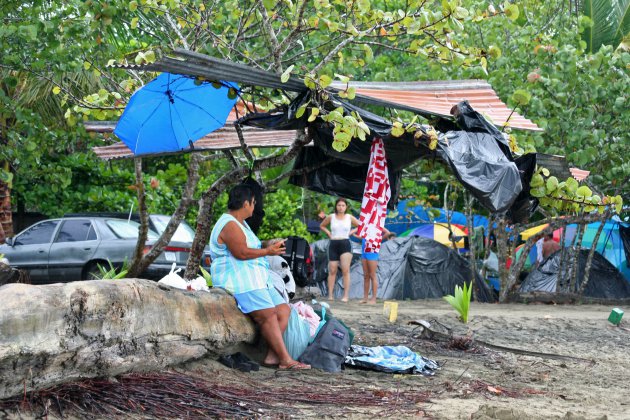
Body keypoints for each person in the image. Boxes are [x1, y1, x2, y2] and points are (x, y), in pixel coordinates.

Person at [209, 184, 310, 370]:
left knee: (283, 310)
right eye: (253, 203)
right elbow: (241, 253)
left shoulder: (241, 223)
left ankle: (272, 357)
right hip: (239, 280)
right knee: (268, 315)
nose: (254, 207)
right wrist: (267, 251)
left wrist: (268, 243)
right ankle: (286, 360)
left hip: (257, 279)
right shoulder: (229, 223)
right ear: (246, 203)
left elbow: (248, 244)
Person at [319, 198, 359, 302]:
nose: (341, 207)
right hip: (333, 243)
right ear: (336, 206)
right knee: (332, 270)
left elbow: (361, 226)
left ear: (346, 207)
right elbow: (322, 226)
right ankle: (330, 295)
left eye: (343, 205)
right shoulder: (331, 217)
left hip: (345, 243)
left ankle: (345, 295)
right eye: (339, 205)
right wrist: (328, 233)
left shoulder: (349, 217)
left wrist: (352, 232)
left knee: (345, 270)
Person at [360, 227, 394, 304]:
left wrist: (378, 240)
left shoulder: (377, 224)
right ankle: (365, 298)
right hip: (364, 249)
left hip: (372, 249)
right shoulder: (365, 223)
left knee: (372, 275)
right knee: (366, 275)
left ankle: (373, 298)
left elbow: (388, 232)